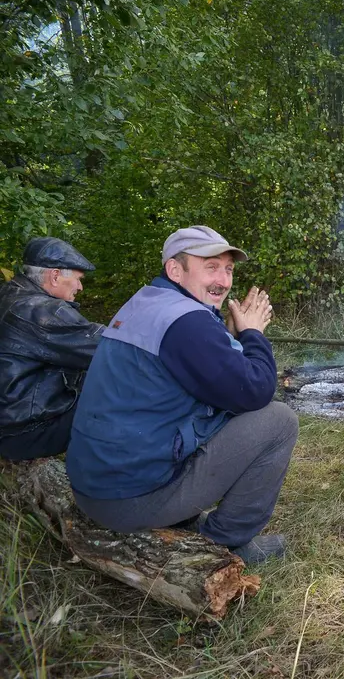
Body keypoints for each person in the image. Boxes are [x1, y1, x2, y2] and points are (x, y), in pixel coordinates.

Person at [66, 226, 298, 565]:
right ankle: (223, 546)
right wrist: (252, 334)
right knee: (278, 421)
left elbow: (202, 367)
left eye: (228, 269)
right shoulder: (186, 322)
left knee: (230, 409)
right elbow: (257, 389)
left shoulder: (148, 302)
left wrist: (230, 337)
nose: (223, 280)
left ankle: (184, 519)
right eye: (210, 267)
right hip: (126, 500)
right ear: (175, 270)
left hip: (95, 486)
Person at [0, 238, 103, 460]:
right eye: (77, 279)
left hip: (9, 419)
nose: (80, 287)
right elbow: (107, 348)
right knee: (122, 398)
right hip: (22, 433)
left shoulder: (9, 293)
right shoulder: (43, 311)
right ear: (55, 276)